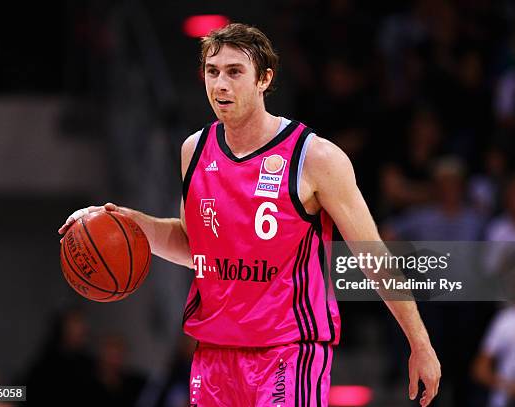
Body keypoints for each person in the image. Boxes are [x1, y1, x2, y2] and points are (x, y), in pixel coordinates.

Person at [58, 23, 440, 406]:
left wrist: (419, 342)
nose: (220, 84)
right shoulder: (194, 150)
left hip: (287, 353)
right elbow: (196, 248)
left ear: (264, 79)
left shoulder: (315, 158)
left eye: (234, 71)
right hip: (214, 355)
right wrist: (125, 223)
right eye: (212, 71)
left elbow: (372, 255)